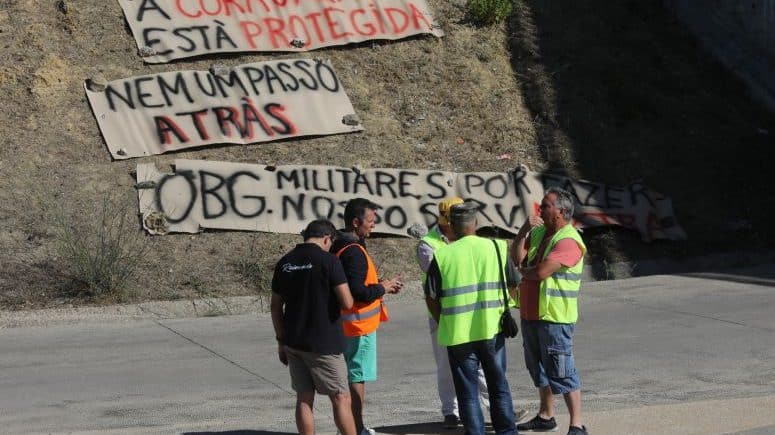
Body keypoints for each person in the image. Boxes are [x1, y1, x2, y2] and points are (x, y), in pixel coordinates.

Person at [417, 197, 527, 429]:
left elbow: (431, 296)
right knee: (498, 387)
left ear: (452, 228)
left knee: (467, 394)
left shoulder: (443, 255)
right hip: (491, 329)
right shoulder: (496, 247)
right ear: (475, 223)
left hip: (458, 334)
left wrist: (443, 320)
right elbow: (514, 285)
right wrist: (507, 305)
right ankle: (506, 431)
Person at [510, 187, 588, 435]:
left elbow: (541, 272)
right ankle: (546, 416)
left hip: (555, 317)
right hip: (532, 314)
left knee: (563, 371)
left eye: (546, 205)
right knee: (538, 368)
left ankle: (577, 425)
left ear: (561, 212)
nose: (540, 209)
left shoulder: (568, 240)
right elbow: (517, 257)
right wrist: (523, 230)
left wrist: (524, 271)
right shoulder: (541, 231)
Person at [270, 219, 357, 435]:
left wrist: (281, 341)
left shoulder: (285, 262)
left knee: (304, 398)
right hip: (324, 343)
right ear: (327, 238)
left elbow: (275, 307)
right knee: (340, 397)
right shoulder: (329, 262)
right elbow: (347, 303)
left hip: (294, 342)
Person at [331, 198, 403, 435]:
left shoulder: (340, 245)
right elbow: (358, 291)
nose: (374, 225)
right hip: (358, 326)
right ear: (355, 222)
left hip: (346, 325)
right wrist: (383, 287)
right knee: (356, 377)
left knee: (351, 376)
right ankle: (357, 428)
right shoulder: (354, 252)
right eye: (370, 221)